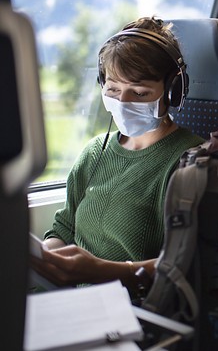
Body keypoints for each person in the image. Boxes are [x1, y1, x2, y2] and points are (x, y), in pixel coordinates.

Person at [30, 17, 204, 296]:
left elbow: (184, 267)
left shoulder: (191, 162)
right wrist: (46, 259)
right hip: (72, 301)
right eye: (112, 89)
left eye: (139, 92)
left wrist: (99, 271)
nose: (123, 102)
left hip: (135, 311)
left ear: (173, 92)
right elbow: (64, 229)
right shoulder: (94, 151)